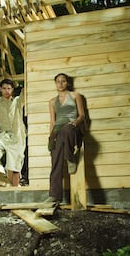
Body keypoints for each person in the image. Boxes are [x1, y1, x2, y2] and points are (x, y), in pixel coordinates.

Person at [45, 73, 85, 203]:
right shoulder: (52, 101)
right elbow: (52, 122)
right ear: (55, 83)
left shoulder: (75, 96)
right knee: (55, 161)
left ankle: (70, 158)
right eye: (58, 81)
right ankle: (54, 195)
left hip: (72, 129)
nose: (60, 84)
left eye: (63, 81)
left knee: (67, 128)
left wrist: (75, 123)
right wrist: (51, 137)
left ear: (67, 83)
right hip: (58, 131)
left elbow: (82, 115)